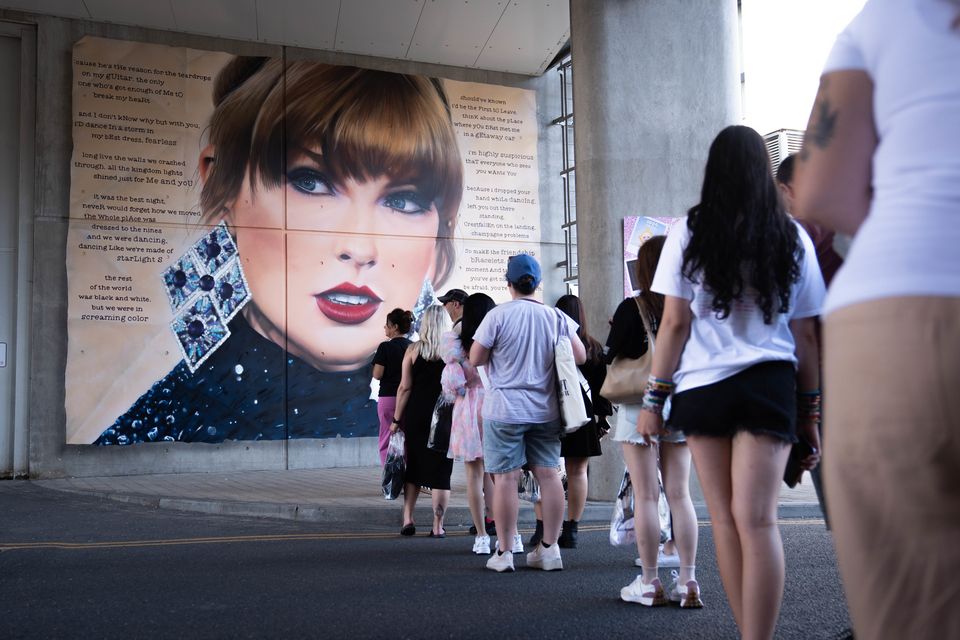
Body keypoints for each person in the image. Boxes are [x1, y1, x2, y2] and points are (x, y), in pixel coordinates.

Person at [96, 58, 463, 445]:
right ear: (220, 180)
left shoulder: (444, 402)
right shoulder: (159, 431)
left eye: (405, 201)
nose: (359, 248)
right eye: (311, 181)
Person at [793, 2, 960, 638]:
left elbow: (822, 191)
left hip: (890, 313)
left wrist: (908, 219)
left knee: (909, 610)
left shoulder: (881, 21)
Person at [638, 125, 824, 639]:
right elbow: (806, 336)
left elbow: (674, 324)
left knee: (723, 518)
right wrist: (810, 416)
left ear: (712, 171)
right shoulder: (792, 237)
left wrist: (654, 399)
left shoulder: (689, 232)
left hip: (703, 390)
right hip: (769, 383)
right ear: (765, 173)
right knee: (760, 521)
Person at [470, 254, 586, 572]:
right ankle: (549, 550)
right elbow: (581, 355)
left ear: (508, 283)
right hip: (546, 410)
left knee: (506, 479)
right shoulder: (555, 317)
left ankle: (505, 553)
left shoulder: (497, 316)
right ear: (538, 284)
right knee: (549, 476)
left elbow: (476, 357)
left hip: (504, 410)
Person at [608, 235, 702, 609]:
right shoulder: (691, 305)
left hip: (639, 405)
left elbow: (611, 353)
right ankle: (689, 579)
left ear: (643, 269)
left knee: (646, 494)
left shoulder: (634, 308)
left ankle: (649, 582)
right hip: (681, 402)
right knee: (681, 493)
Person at [776, 153, 843, 526]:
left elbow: (797, 326)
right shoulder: (855, 228)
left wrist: (807, 414)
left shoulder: (793, 236)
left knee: (834, 483)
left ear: (787, 190)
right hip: (877, 364)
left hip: (818, 371)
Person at [552, 294, 611, 549]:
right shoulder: (593, 347)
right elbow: (601, 388)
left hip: (552, 411)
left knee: (548, 470)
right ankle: (572, 527)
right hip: (582, 413)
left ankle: (546, 527)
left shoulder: (551, 342)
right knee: (578, 471)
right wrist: (602, 418)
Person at [440, 292, 496, 554]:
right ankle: (512, 534)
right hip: (496, 405)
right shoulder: (496, 338)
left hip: (468, 407)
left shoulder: (457, 343)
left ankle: (482, 537)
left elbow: (452, 384)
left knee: (474, 475)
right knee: (501, 474)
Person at [391, 305, 454, 537]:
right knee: (441, 472)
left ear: (425, 324)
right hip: (445, 416)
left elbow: (404, 387)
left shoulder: (413, 350)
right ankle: (438, 526)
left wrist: (396, 419)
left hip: (417, 413)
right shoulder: (452, 351)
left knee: (414, 466)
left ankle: (408, 519)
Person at [372, 309, 414, 465]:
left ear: (395, 327)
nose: (384, 327)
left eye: (387, 325)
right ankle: (409, 480)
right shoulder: (413, 346)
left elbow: (377, 374)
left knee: (386, 437)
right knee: (407, 438)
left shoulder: (385, 347)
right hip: (409, 398)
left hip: (389, 398)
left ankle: (390, 481)